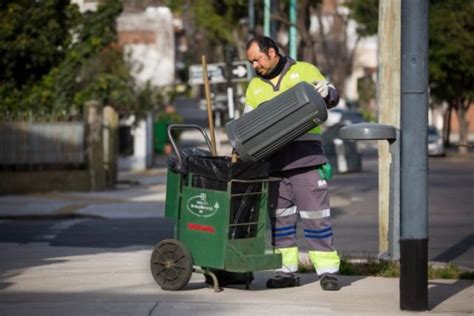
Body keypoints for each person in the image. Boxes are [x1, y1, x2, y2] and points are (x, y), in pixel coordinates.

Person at [244, 35, 340, 291]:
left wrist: (326, 92)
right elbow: (248, 126)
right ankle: (286, 272)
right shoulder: (254, 87)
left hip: (306, 160)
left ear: (272, 52)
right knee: (280, 221)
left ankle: (328, 271)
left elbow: (332, 96)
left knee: (316, 217)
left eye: (257, 59)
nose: (255, 65)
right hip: (274, 164)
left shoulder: (304, 70)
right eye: (251, 61)